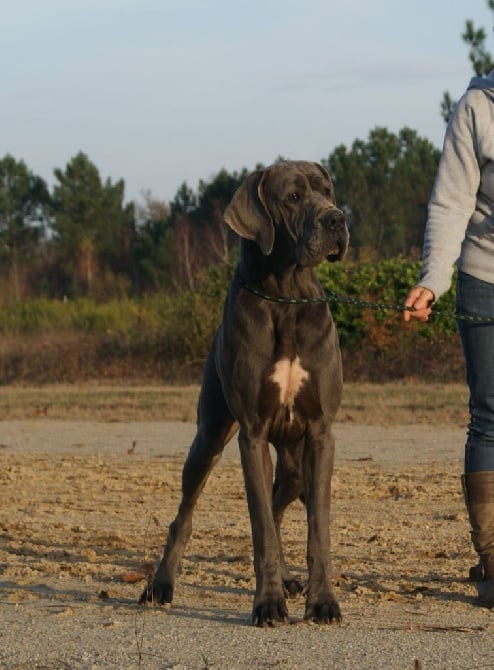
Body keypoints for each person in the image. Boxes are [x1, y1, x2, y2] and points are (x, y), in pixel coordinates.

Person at [404, 67, 494, 607]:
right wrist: (433, 281)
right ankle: (493, 559)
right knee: (490, 414)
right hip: (486, 279)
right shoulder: (477, 108)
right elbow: (451, 204)